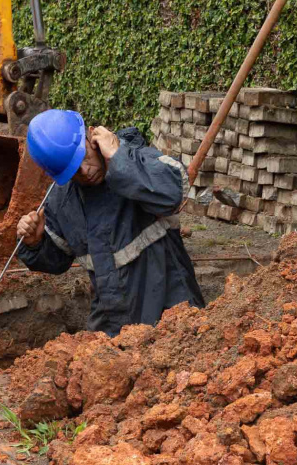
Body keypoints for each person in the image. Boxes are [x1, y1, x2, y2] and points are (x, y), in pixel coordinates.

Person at [16, 109, 205, 336]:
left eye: (83, 157)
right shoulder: (63, 201)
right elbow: (57, 261)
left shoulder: (136, 159)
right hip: (112, 324)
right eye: (73, 171)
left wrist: (119, 157)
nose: (85, 171)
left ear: (92, 136)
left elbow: (173, 192)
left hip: (172, 318)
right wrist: (35, 244)